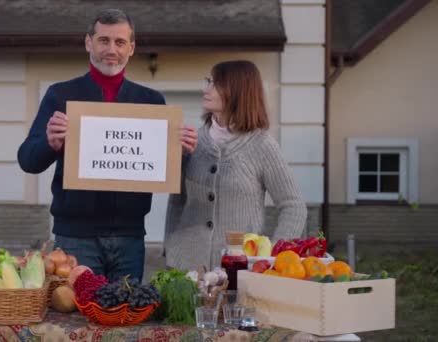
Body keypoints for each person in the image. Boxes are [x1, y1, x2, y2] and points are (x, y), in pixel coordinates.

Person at [18, 9, 197, 282]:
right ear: (88, 42)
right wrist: (51, 143)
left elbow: (164, 170)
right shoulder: (61, 95)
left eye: (120, 42)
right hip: (75, 238)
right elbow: (28, 160)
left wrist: (182, 153)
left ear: (132, 48)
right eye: (104, 40)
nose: (111, 49)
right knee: (74, 321)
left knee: (125, 320)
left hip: (130, 237)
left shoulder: (151, 102)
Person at [164, 60, 307, 270]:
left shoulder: (262, 146)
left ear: (239, 91)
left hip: (239, 270)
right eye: (208, 81)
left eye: (215, 83)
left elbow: (294, 206)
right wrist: (170, 246)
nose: (206, 88)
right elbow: (177, 200)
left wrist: (273, 258)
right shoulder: (193, 141)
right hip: (186, 269)